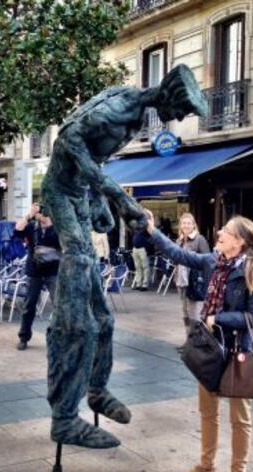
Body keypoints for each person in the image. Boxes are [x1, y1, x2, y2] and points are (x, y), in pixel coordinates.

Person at [41, 63, 208, 449]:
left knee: (104, 319)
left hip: (80, 195)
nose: (180, 118)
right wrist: (118, 199)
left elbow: (93, 161)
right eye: (182, 109)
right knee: (77, 315)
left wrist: (99, 197)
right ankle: (64, 417)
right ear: (168, 97)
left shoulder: (135, 115)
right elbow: (67, 141)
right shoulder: (118, 108)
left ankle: (96, 389)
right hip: (62, 194)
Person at [146, 212, 253, 472]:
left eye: (225, 231)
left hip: (239, 352)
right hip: (210, 351)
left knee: (240, 419)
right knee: (207, 411)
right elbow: (179, 254)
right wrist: (152, 231)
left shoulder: (252, 270)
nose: (219, 234)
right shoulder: (213, 261)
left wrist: (219, 318)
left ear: (238, 241)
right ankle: (206, 465)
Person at [14, 203, 61, 351]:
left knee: (59, 306)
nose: (41, 217)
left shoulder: (59, 229)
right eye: (39, 214)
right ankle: (23, 337)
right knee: (29, 306)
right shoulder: (32, 227)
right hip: (34, 272)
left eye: (43, 214)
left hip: (53, 271)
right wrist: (29, 215)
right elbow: (18, 229)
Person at [175, 213, 209, 351]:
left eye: (189, 223)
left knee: (193, 313)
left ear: (194, 225)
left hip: (193, 281)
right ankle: (189, 340)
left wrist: (191, 257)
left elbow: (207, 259)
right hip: (180, 280)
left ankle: (196, 342)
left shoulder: (199, 239)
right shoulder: (179, 240)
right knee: (185, 312)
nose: (186, 226)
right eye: (184, 223)